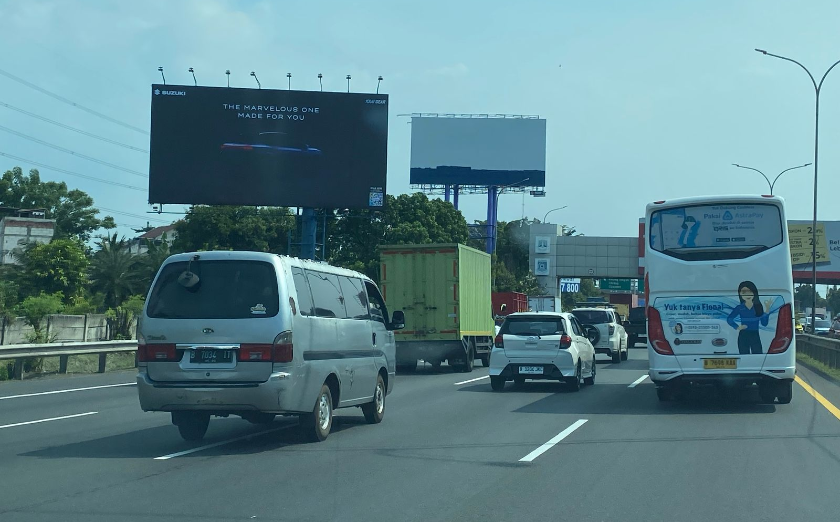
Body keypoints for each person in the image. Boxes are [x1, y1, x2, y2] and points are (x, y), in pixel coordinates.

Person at [726, 281, 772, 354]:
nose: (747, 295)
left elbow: (764, 323)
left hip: (755, 335)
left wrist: (767, 310)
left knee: (758, 355)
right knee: (744, 355)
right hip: (743, 335)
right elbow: (729, 319)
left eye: (750, 291)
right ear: (740, 294)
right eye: (744, 292)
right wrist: (737, 327)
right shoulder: (739, 307)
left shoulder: (758, 307)